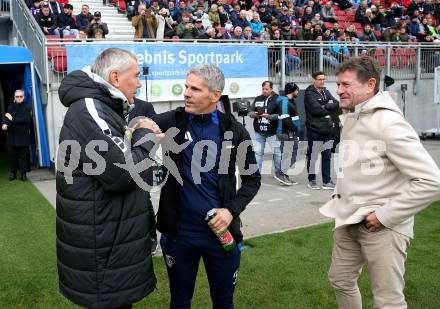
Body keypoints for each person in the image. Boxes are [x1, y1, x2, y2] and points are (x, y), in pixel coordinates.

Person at [320, 56, 440, 309]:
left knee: (388, 301)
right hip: (348, 218)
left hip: (382, 226)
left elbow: (432, 181)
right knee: (340, 280)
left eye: (345, 84)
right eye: (338, 84)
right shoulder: (353, 115)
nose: (338, 90)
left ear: (370, 84)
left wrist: (385, 215)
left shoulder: (389, 123)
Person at [56, 48, 160, 309]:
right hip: (103, 246)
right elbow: (124, 174)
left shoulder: (102, 106)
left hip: (110, 238)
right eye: (135, 76)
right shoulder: (90, 109)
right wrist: (144, 136)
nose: (138, 82)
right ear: (115, 77)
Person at [152, 64, 261, 308]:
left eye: (195, 89)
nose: (186, 93)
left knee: (223, 302)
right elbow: (138, 123)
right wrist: (143, 128)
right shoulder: (174, 121)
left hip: (221, 237)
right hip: (179, 236)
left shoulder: (234, 131)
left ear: (215, 95)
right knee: (180, 302)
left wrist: (230, 210)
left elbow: (252, 180)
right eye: (186, 86)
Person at [249, 81, 291, 185]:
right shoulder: (258, 98)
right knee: (258, 154)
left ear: (271, 89)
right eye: (263, 89)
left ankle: (278, 173)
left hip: (272, 132)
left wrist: (269, 116)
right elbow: (250, 112)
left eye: (266, 89)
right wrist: (254, 115)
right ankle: (256, 176)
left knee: (277, 153)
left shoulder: (278, 99)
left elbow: (282, 115)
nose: (264, 91)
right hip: (259, 131)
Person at [304, 71, 339, 190]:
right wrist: (327, 106)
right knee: (313, 156)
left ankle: (327, 181)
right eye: (319, 79)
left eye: (323, 79)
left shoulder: (326, 91)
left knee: (327, 156)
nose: (322, 81)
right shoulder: (309, 94)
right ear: (313, 80)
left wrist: (324, 106)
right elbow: (316, 110)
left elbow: (336, 104)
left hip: (327, 129)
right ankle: (312, 180)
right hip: (314, 129)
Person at [1, 89, 31, 181]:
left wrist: (12, 119)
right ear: (14, 97)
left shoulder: (27, 108)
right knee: (13, 157)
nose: (19, 98)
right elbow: (7, 118)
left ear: (23, 97)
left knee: (23, 158)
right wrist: (5, 124)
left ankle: (23, 174)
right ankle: (13, 174)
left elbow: (25, 120)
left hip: (23, 137)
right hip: (12, 137)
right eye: (17, 96)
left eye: (20, 96)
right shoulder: (10, 107)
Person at [277, 82, 301, 185]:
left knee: (290, 153)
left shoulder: (290, 101)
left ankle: (284, 175)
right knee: (289, 154)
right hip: (286, 132)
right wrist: (295, 129)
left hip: (290, 132)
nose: (297, 92)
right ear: (293, 91)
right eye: (296, 90)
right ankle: (281, 174)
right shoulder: (285, 102)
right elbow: (285, 119)